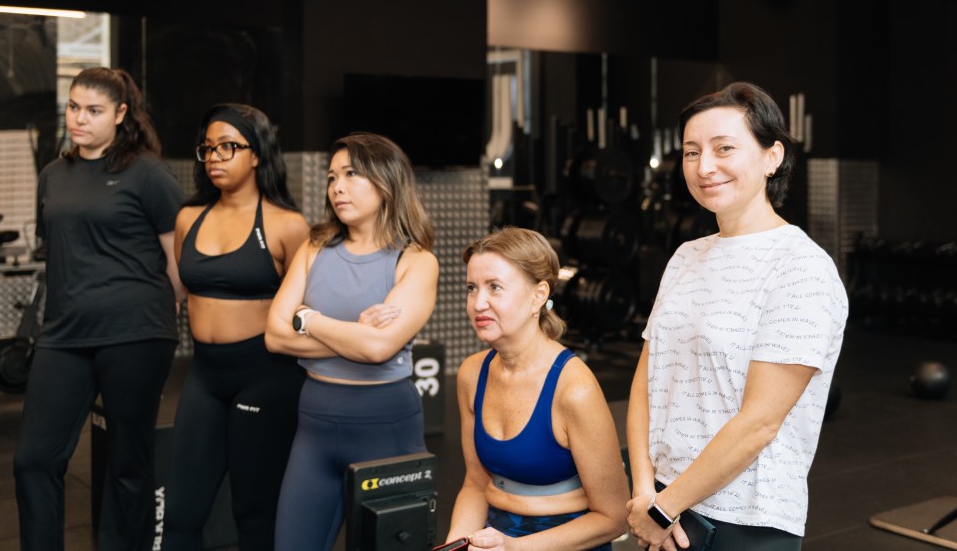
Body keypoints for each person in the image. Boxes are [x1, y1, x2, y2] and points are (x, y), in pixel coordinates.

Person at [625, 82, 848, 551]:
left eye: (724, 148)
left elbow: (758, 423)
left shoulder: (802, 268)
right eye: (691, 152)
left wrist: (663, 509)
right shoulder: (686, 256)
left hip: (745, 519)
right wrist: (646, 493)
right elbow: (647, 383)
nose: (704, 166)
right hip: (662, 504)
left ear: (772, 157)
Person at [14, 66, 185, 551]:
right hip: (64, 333)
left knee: (127, 464)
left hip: (135, 331)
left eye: (94, 110)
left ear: (121, 114)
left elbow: (177, 258)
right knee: (34, 459)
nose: (79, 118)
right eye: (74, 107)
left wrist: (162, 312)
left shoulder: (148, 174)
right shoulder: (53, 175)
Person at [264, 131, 439, 551]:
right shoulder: (315, 247)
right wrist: (354, 333)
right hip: (315, 423)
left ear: (386, 180)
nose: (337, 187)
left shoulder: (416, 261)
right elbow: (274, 336)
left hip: (386, 423)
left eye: (351, 174)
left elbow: (377, 349)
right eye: (332, 177)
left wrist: (307, 318)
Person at [161, 104, 309, 549]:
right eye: (208, 148)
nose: (215, 157)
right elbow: (180, 289)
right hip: (204, 374)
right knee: (181, 513)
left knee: (253, 513)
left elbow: (305, 310)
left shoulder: (287, 225)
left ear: (257, 153)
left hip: (264, 375)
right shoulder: (189, 217)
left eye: (228, 147)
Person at [444, 227, 629, 551]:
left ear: (539, 295)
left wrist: (515, 549)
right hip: (496, 538)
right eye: (472, 288)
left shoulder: (574, 388)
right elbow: (475, 485)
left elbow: (614, 518)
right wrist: (456, 545)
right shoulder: (472, 374)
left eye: (495, 287)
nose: (478, 303)